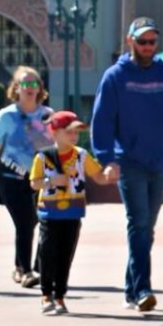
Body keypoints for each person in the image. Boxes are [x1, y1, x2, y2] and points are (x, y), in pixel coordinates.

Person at [91, 16, 163, 312]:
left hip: (160, 161)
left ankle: (132, 289)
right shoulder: (115, 77)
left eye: (152, 41)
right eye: (142, 41)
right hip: (129, 162)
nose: (147, 46)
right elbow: (101, 121)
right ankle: (143, 288)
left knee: (147, 228)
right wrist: (107, 159)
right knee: (139, 223)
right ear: (130, 41)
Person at [0, 67, 55, 289]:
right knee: (25, 223)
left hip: (39, 180)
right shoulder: (6, 116)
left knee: (39, 222)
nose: (29, 88)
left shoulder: (47, 115)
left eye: (34, 83)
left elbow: (55, 146)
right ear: (16, 88)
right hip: (11, 178)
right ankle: (27, 272)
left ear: (40, 88)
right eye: (25, 84)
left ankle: (25, 266)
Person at [29, 111, 111, 315]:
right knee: (47, 253)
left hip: (73, 213)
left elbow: (99, 176)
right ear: (54, 132)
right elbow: (34, 183)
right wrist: (50, 181)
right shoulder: (43, 157)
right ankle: (46, 294)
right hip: (49, 213)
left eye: (76, 132)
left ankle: (60, 296)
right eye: (69, 132)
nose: (74, 136)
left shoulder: (81, 155)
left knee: (65, 256)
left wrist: (111, 174)